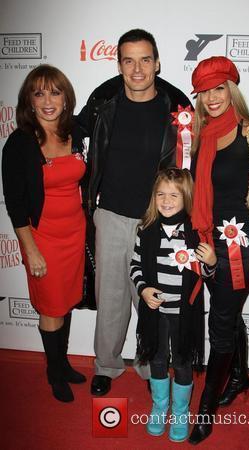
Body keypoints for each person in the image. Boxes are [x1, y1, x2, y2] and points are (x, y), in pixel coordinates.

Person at [76, 29, 192, 396]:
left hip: (156, 221)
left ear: (157, 63)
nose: (138, 68)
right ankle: (107, 367)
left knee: (153, 299)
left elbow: (192, 165)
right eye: (129, 60)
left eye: (145, 59)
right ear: (120, 65)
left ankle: (150, 367)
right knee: (111, 300)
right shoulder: (103, 105)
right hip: (109, 215)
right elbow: (67, 133)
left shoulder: (177, 111)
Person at [187, 56, 249, 444]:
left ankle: (205, 409)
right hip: (206, 244)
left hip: (239, 248)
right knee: (228, 316)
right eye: (204, 91)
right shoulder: (199, 136)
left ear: (232, 90)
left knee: (220, 327)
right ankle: (239, 377)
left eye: (219, 88)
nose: (212, 97)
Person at [2, 65, 87, 403]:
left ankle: (62, 364)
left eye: (55, 92)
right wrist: (31, 250)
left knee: (64, 302)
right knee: (51, 307)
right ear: (29, 101)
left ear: (66, 98)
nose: (48, 100)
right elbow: (16, 204)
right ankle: (54, 373)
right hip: (42, 238)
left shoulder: (77, 132)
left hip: (75, 232)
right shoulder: (20, 143)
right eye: (39, 93)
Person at [130, 168, 217, 442]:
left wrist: (212, 262)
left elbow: (206, 273)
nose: (166, 201)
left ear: (187, 198)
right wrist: (143, 290)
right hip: (155, 314)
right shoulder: (145, 231)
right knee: (156, 358)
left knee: (181, 362)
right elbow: (134, 266)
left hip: (184, 314)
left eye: (174, 196)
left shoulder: (195, 233)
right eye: (161, 195)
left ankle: (180, 412)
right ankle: (159, 406)